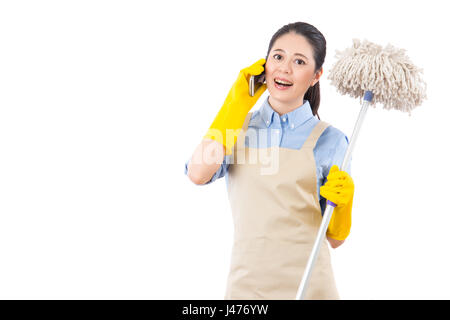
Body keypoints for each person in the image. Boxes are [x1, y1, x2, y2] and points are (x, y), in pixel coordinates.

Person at [184, 22, 354, 300]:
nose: (285, 69)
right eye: (278, 56)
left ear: (316, 75)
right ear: (265, 64)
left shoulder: (331, 140)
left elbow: (334, 240)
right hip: (247, 288)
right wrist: (235, 105)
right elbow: (198, 173)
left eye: (299, 61)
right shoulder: (236, 127)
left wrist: (344, 207)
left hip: (311, 286)